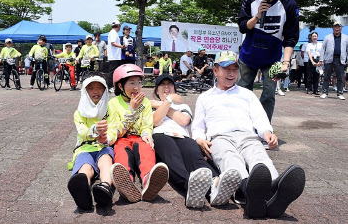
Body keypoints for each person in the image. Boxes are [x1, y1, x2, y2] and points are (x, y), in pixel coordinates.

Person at [191, 51, 305, 219]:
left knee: (259, 157)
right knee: (231, 159)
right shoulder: (205, 98)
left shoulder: (246, 94)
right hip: (220, 138)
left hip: (248, 136)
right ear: (215, 71)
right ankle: (257, 192)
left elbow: (260, 118)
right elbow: (198, 126)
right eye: (226, 69)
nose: (231, 74)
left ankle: (268, 190)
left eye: (235, 69)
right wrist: (199, 139)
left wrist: (267, 133)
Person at [151, 74, 241, 208]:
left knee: (195, 158)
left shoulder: (183, 106)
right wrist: (167, 101)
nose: (166, 87)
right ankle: (190, 188)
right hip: (161, 135)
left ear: (174, 89)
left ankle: (215, 186)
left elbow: (184, 120)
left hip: (182, 136)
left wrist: (165, 103)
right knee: (174, 160)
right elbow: (156, 121)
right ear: (156, 90)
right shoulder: (149, 106)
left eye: (169, 84)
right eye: (162, 85)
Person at [237, 0, 299, 122]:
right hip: (248, 55)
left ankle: (263, 129)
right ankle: (242, 126)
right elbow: (243, 27)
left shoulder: (289, 4)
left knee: (269, 95)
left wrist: (286, 63)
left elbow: (291, 37)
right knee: (243, 93)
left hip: (272, 59)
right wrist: (257, 15)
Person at [107, 64, 169, 202]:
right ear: (121, 86)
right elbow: (116, 130)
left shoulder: (145, 102)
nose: (136, 87)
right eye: (132, 83)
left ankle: (148, 180)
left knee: (146, 148)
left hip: (139, 137)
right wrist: (132, 109)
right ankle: (126, 183)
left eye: (139, 83)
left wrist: (147, 134)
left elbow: (147, 124)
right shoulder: (113, 104)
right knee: (121, 152)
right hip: (121, 138)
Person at [67, 71, 115, 210]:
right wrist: (94, 131)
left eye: (100, 88)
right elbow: (82, 132)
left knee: (105, 160)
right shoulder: (79, 112)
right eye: (91, 88)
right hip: (85, 148)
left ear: (105, 90)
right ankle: (83, 189)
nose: (96, 91)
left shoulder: (109, 109)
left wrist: (106, 138)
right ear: (84, 91)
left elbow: (113, 128)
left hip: (104, 146)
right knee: (85, 167)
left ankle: (105, 187)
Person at [319, 21, 348, 100]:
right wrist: (321, 59)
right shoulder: (327, 37)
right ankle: (325, 92)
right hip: (329, 59)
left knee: (340, 77)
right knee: (326, 77)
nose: (337, 28)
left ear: (341, 28)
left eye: (338, 27)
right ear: (333, 28)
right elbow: (323, 49)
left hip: (340, 60)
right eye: (335, 27)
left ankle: (340, 93)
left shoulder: (346, 37)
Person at [108, 20, 127, 93]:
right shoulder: (113, 33)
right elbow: (113, 43)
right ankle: (110, 86)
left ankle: (114, 85)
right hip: (114, 56)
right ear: (118, 26)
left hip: (115, 56)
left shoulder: (113, 33)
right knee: (112, 71)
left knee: (115, 71)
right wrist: (122, 46)